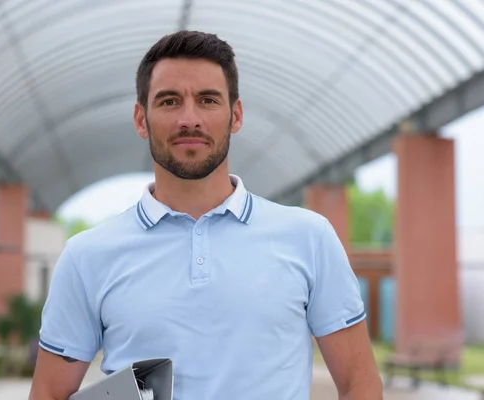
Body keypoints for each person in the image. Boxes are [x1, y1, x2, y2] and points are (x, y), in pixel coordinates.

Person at [29, 30, 383, 400]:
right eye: (168, 102)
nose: (189, 118)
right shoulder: (87, 257)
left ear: (236, 115)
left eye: (208, 100)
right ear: (140, 119)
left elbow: (360, 382)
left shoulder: (309, 237)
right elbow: (48, 394)